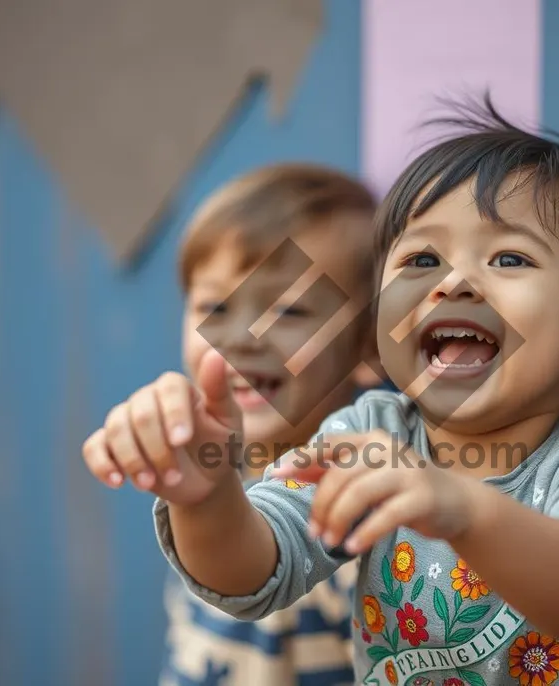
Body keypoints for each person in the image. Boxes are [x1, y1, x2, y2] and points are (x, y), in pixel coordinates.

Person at [85, 99, 559, 685]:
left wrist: (466, 509)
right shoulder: (369, 434)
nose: (451, 282)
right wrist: (207, 498)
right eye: (422, 257)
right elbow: (256, 572)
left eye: (508, 257)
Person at [84, 163, 384, 685]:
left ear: (368, 345)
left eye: (288, 312)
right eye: (216, 306)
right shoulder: (206, 464)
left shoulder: (353, 496)